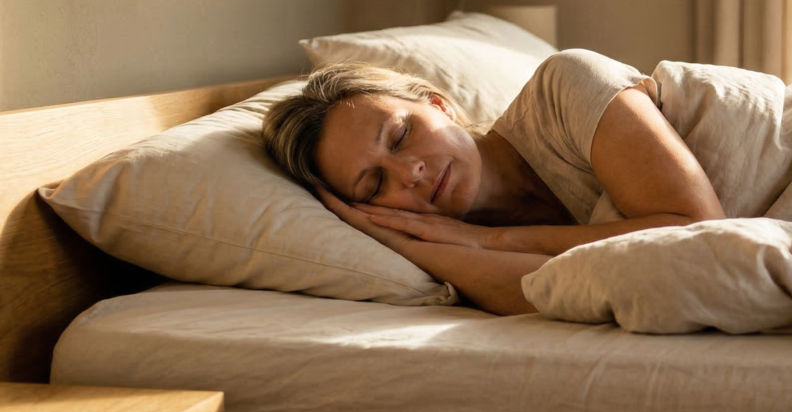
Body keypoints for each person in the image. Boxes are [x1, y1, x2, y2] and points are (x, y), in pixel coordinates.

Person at [263, 51, 725, 316]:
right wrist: (403, 243)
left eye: (402, 135)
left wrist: (492, 240)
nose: (409, 174)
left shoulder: (566, 86)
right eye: (373, 186)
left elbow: (699, 238)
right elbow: (558, 296)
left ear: (438, 104)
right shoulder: (460, 262)